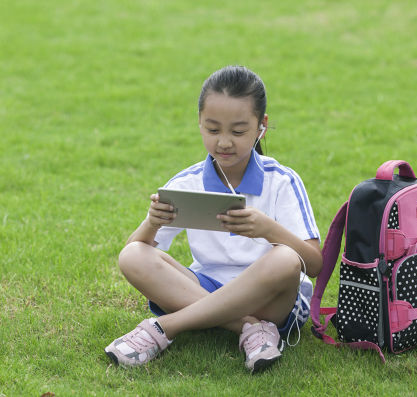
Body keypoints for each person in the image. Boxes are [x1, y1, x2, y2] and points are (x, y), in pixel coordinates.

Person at [104, 65, 322, 373]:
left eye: (237, 131)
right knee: (131, 255)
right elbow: (135, 254)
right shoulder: (186, 182)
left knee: (286, 259)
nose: (224, 142)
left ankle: (166, 327)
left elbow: (313, 263)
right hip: (205, 286)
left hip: (271, 300)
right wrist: (152, 222)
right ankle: (249, 329)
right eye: (213, 129)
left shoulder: (282, 181)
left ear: (262, 125)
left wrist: (267, 228)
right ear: (199, 123)